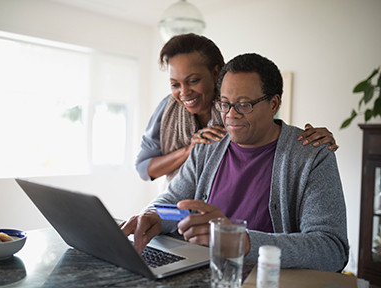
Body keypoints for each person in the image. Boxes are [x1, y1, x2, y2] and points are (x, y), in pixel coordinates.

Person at [122, 53, 349, 272]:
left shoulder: (312, 156)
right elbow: (174, 204)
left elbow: (331, 250)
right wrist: (154, 215)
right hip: (203, 271)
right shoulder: (207, 147)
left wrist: (241, 241)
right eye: (224, 103)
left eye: (243, 104)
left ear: (273, 104)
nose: (230, 115)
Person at [135, 33, 339, 183]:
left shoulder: (236, 117)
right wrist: (189, 151)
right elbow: (144, 169)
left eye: (193, 80)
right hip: (178, 216)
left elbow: (267, 135)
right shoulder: (168, 109)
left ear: (216, 74)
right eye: (175, 84)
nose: (184, 92)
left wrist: (311, 143)